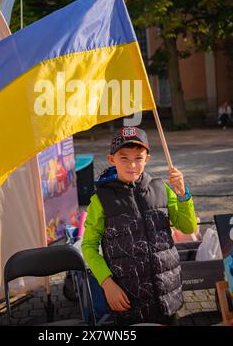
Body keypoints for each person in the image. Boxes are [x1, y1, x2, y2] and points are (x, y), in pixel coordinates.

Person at [82, 126, 197, 326]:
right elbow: (89, 247)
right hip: (128, 300)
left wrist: (182, 196)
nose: (132, 165)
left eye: (139, 158)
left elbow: (187, 227)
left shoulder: (162, 188)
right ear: (111, 160)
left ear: (147, 159)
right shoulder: (100, 200)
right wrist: (107, 283)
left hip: (168, 294)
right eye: (124, 158)